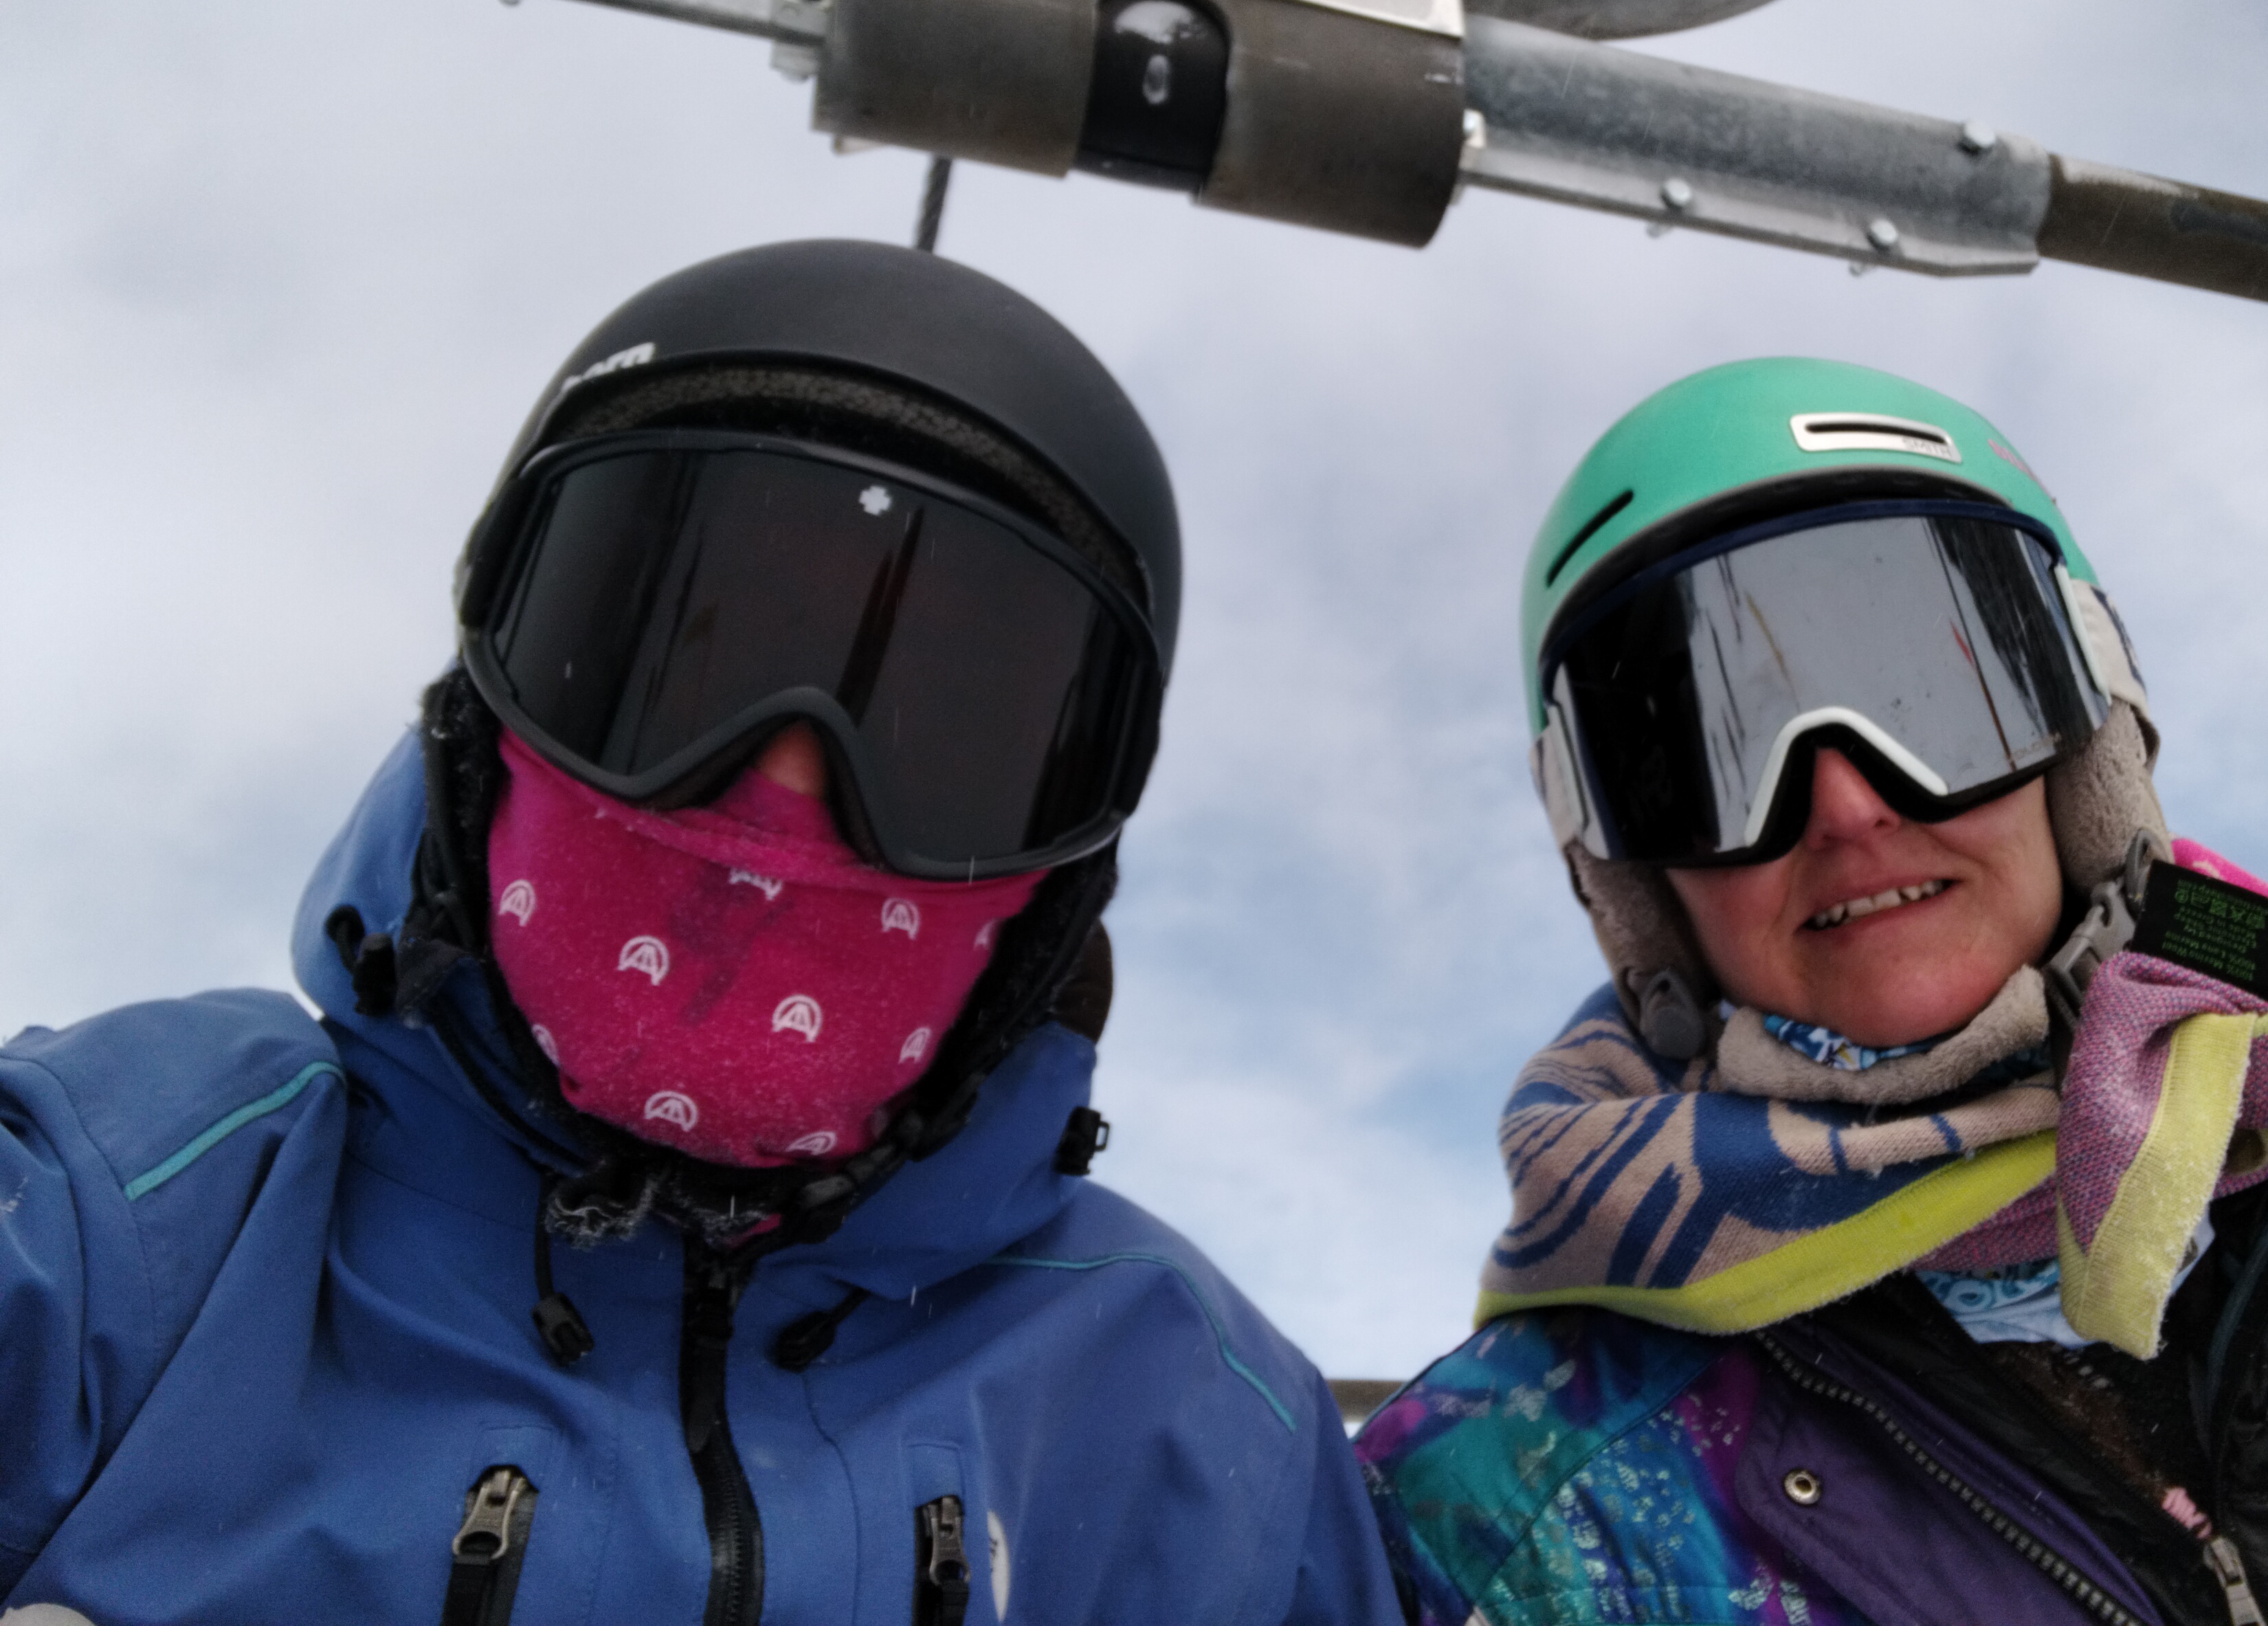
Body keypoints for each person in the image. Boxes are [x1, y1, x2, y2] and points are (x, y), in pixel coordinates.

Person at [0, 241, 1400, 1626]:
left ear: (1061, 870)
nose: (784, 791)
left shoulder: (1204, 1442)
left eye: (943, 730)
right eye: (684, 659)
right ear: (491, 712)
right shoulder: (138, 1209)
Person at [1357, 356, 2268, 1626]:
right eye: (1703, 754)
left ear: (2088, 751)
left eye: (1938, 697)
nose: (1848, 804)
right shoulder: (1504, 1516)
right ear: (1633, 884)